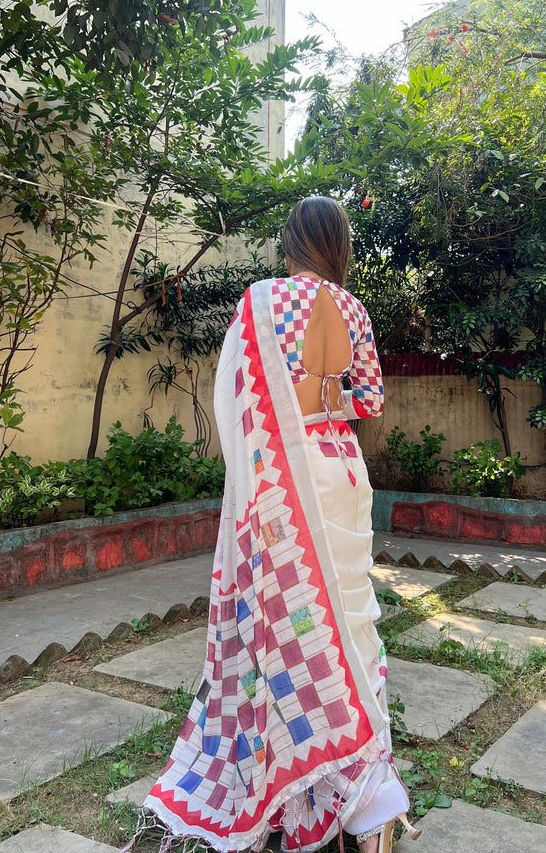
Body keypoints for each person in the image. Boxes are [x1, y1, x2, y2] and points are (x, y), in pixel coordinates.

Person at [129, 197, 420, 853]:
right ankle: (364, 797)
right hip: (340, 477)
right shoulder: (352, 309)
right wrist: (329, 396)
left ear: (289, 242)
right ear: (338, 246)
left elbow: (232, 400)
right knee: (348, 628)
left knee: (286, 636)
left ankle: (285, 785)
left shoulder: (259, 302)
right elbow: (367, 401)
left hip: (281, 490)